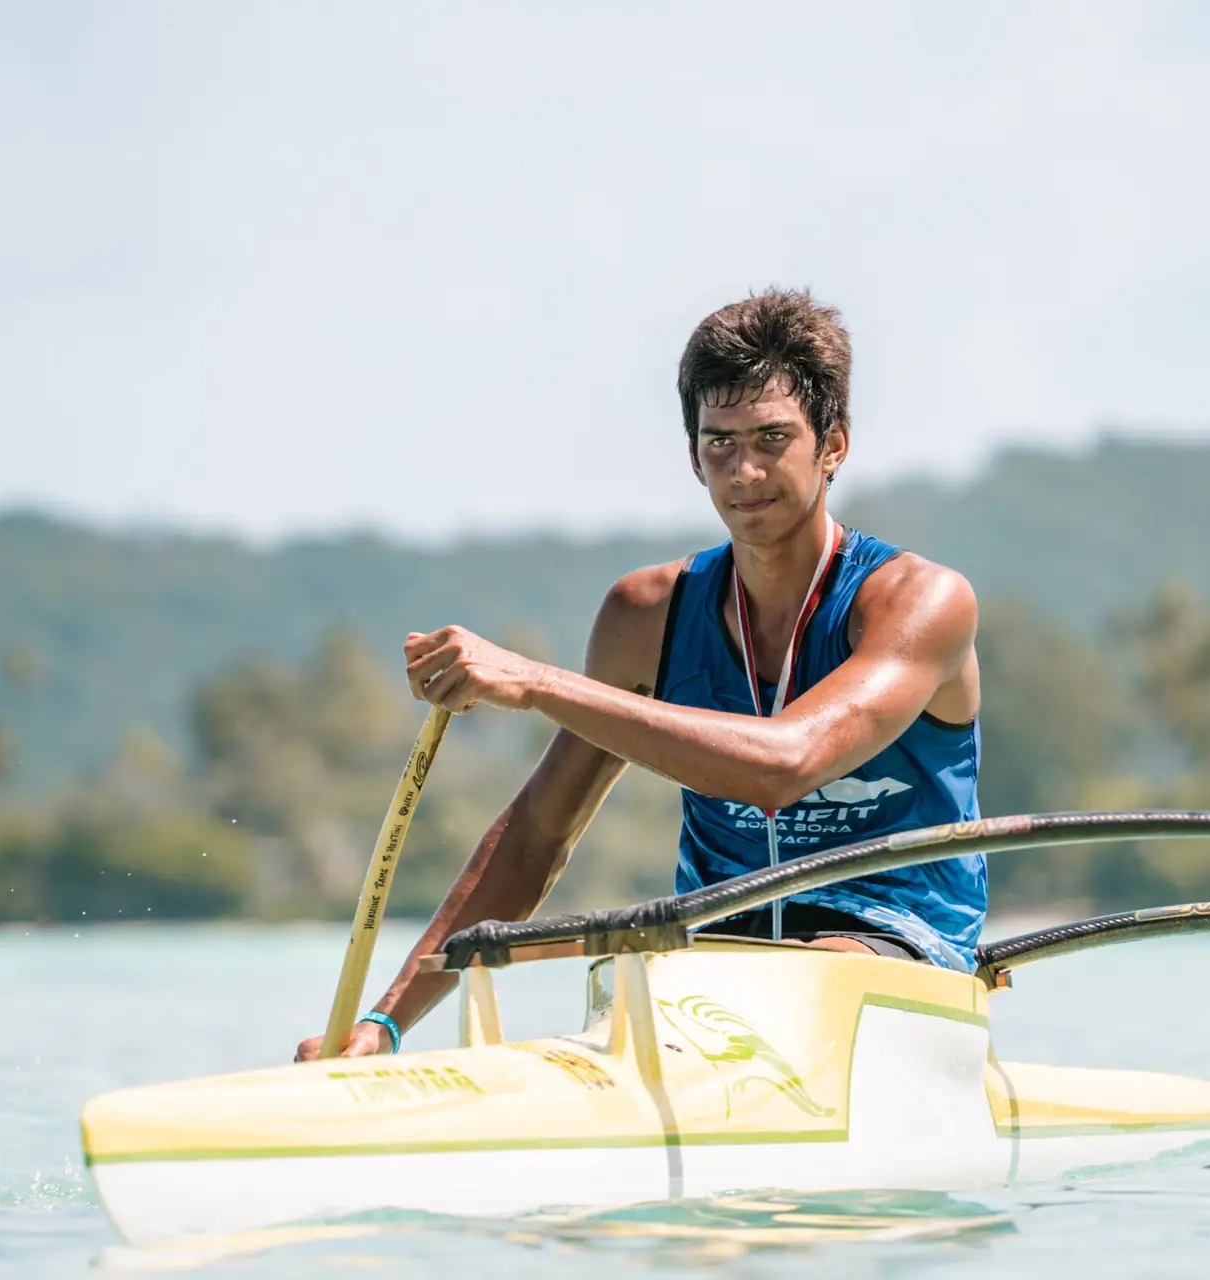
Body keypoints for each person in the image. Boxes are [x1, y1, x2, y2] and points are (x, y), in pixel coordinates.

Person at [296, 289, 984, 1061]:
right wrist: (385, 1021)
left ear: (835, 445)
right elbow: (536, 837)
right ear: (692, 455)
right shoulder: (646, 616)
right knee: (629, 991)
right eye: (719, 442)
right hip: (719, 952)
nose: (745, 471)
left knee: (778, 988)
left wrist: (537, 682)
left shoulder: (921, 601)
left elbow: (786, 765)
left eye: (773, 437)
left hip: (892, 937)